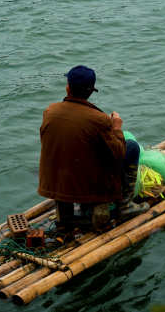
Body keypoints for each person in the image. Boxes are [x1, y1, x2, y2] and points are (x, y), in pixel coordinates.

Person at [38, 65, 149, 218]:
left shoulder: (50, 111)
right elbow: (119, 155)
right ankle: (125, 205)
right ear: (91, 90)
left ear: (68, 89)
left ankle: (82, 206)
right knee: (132, 147)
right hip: (88, 187)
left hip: (55, 183)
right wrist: (116, 128)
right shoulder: (100, 119)